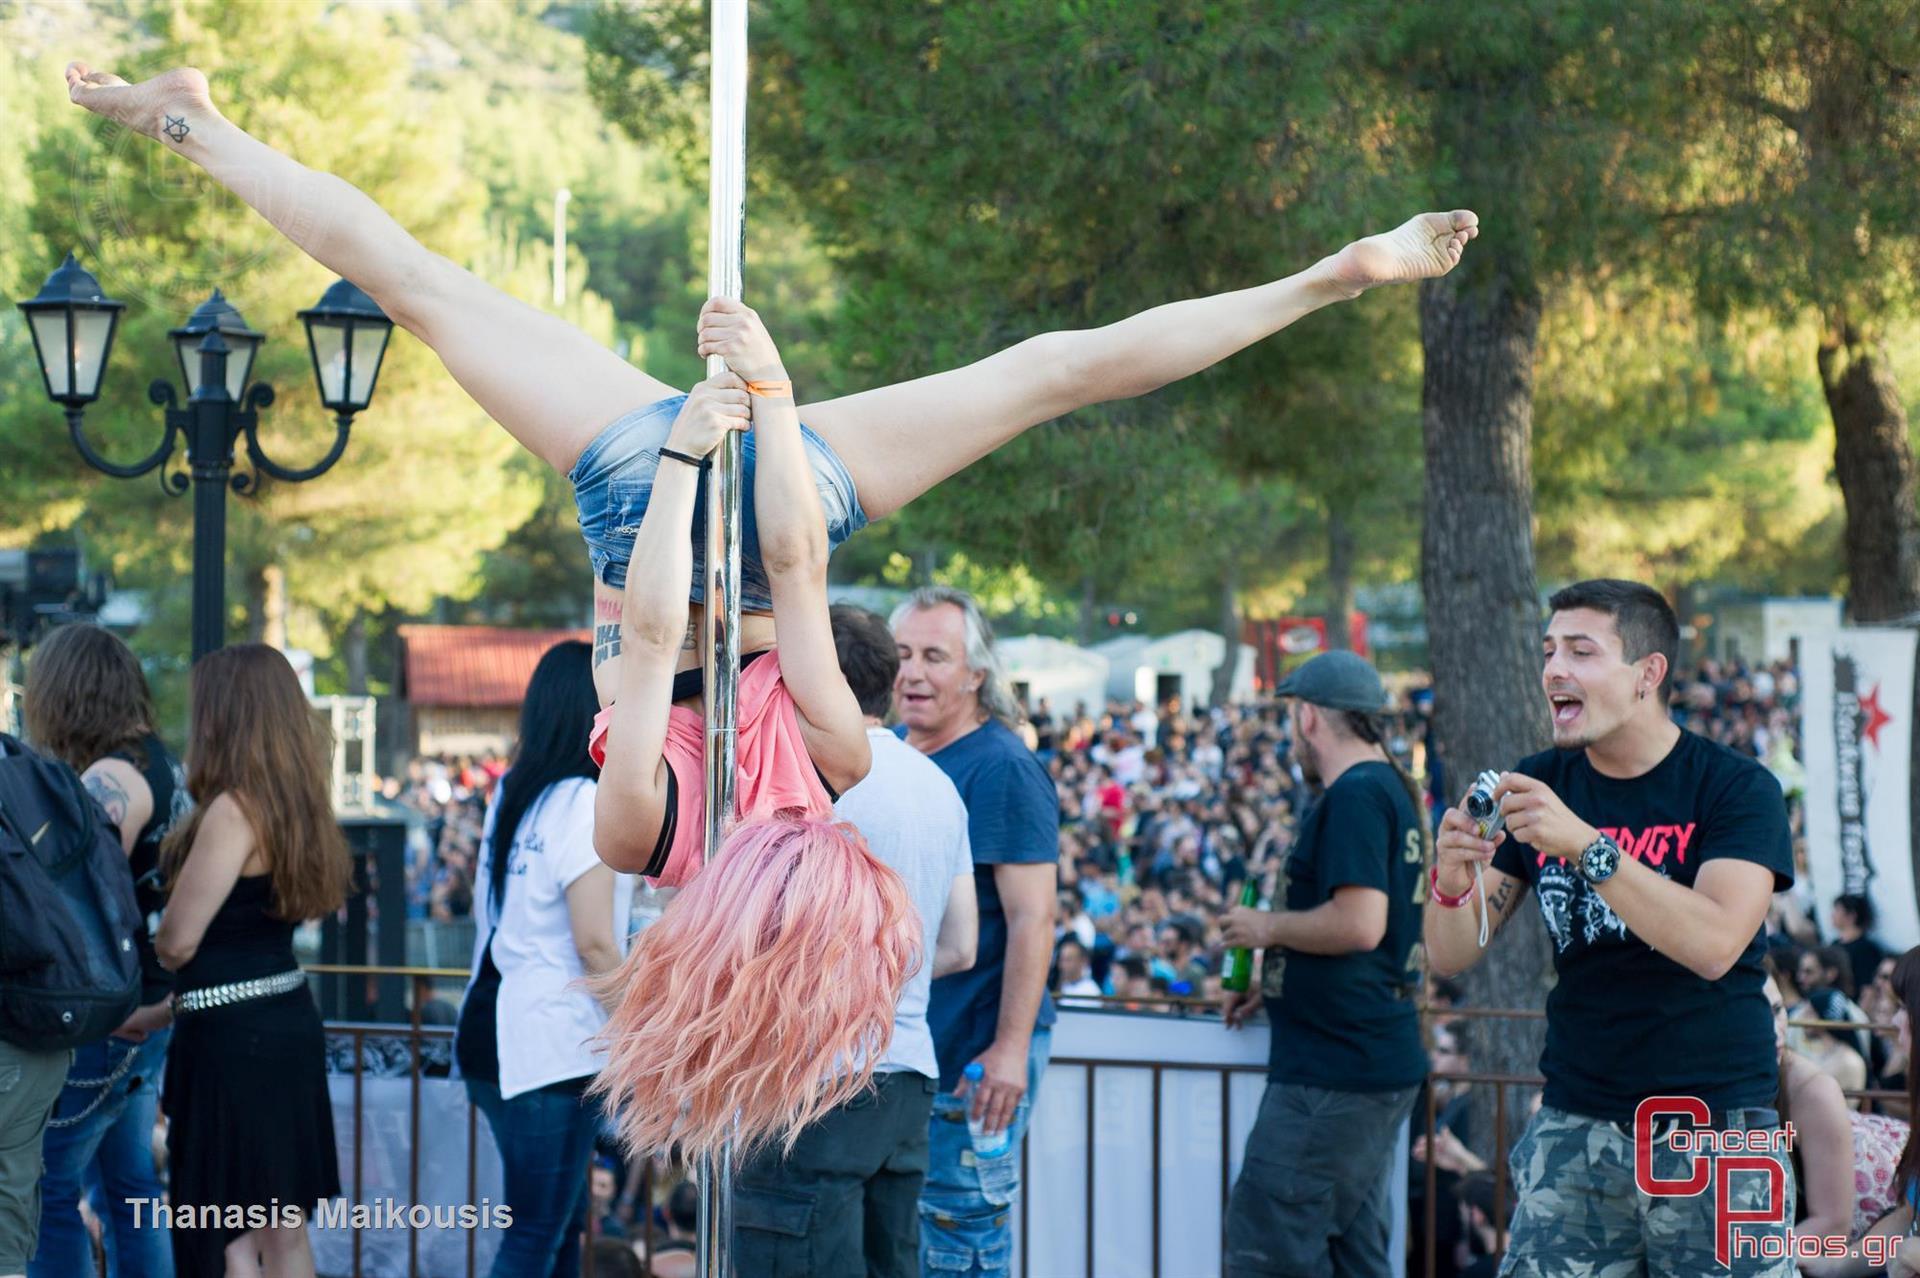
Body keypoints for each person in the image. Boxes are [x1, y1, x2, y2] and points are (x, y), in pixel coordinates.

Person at [62, 61, 1478, 705]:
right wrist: (768, 405)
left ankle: (1330, 278)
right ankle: (1326, 279)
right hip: (707, 510)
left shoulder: (712, 750)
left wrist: (763, 414)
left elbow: (740, 622)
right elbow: (722, 628)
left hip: (716, 516)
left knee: (1050, 374)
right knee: (1050, 373)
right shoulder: (745, 745)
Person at [1426, 579, 1796, 1276]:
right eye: (1548, 651)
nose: (1554, 670)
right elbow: (1450, 954)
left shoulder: (1736, 788)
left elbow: (1717, 944)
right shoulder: (1536, 783)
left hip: (1714, 1125)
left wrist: (1587, 847)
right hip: (1576, 1122)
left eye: (1581, 651)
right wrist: (1449, 884)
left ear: (1646, 675)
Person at [729, 604, 978, 1278]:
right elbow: (960, 948)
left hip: (816, 1080)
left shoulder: (809, 783)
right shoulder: (939, 786)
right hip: (905, 1077)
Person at [1216, 650, 1429, 1278]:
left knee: (1268, 1244)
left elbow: (1362, 923)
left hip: (1336, 1072)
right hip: (1363, 1058)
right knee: (1354, 1255)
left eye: (1291, 721)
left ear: (1308, 717)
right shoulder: (1385, 785)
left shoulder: (1357, 794)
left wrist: (1264, 929)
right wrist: (1279, 981)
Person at [154, 644, 351, 1277]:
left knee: (224, 1232)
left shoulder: (234, 810)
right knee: (283, 1229)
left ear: (227, 714)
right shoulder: (300, 806)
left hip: (230, 1042)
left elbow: (178, 941)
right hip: (283, 1020)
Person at [891, 585, 1059, 1278]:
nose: (913, 672)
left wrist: (1011, 1048)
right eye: (901, 654)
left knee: (958, 1244)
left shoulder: (1003, 768)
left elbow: (1033, 917)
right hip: (917, 1050)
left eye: (935, 656)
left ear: (975, 675)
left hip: (975, 1058)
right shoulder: (899, 752)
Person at [454, 640, 634, 1278]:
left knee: (553, 1229)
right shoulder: (584, 802)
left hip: (493, 1024)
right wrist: (640, 1033)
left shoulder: (515, 794)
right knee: (538, 1233)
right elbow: (594, 944)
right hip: (548, 1042)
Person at [21, 624, 184, 1278]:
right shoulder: (160, 765)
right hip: (144, 1007)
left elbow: (78, 903)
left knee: (46, 1189)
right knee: (128, 1191)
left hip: (106, 1016)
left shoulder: (107, 779)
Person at [1835, 894, 1890, 998]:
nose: (1832, 915)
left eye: (1837, 910)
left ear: (1851, 915)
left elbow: (1868, 987)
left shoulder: (1866, 949)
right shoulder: (1834, 945)